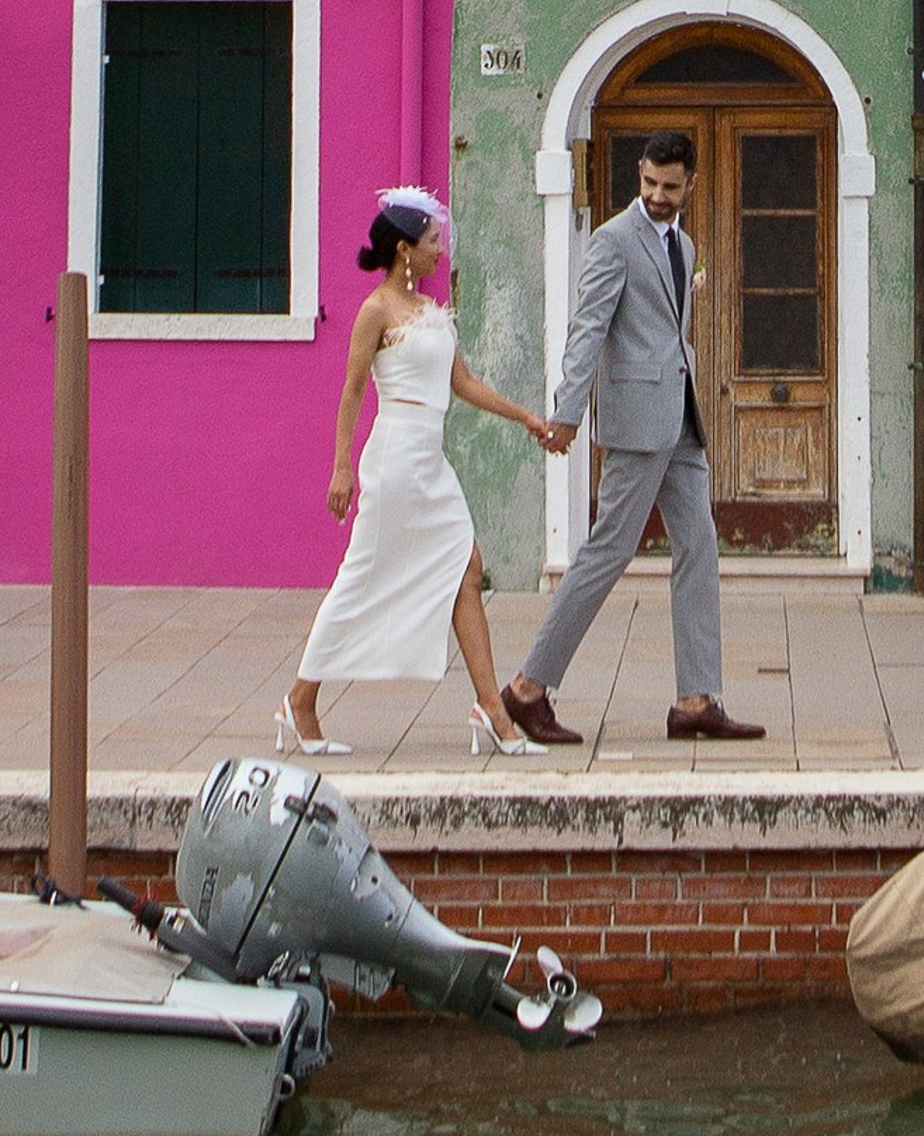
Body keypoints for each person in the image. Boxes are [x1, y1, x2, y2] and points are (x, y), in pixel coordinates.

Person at [282, 186, 571, 761]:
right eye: (434, 241)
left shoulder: (430, 311)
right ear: (404, 248)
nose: (443, 250)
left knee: (466, 567)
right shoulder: (375, 310)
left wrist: (528, 419)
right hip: (393, 459)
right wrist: (342, 467)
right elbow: (353, 390)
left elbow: (463, 384)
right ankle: (301, 699)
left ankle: (491, 708)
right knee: (360, 576)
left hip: (431, 462)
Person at [500, 127, 765, 747]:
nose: (657, 196)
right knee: (608, 551)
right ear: (639, 175)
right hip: (636, 423)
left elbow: (669, 331)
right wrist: (567, 412)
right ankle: (528, 688)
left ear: (690, 184)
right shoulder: (613, 242)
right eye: (649, 183)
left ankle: (696, 699)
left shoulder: (685, 242)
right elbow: (587, 329)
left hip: (680, 419)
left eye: (670, 187)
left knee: (698, 546)